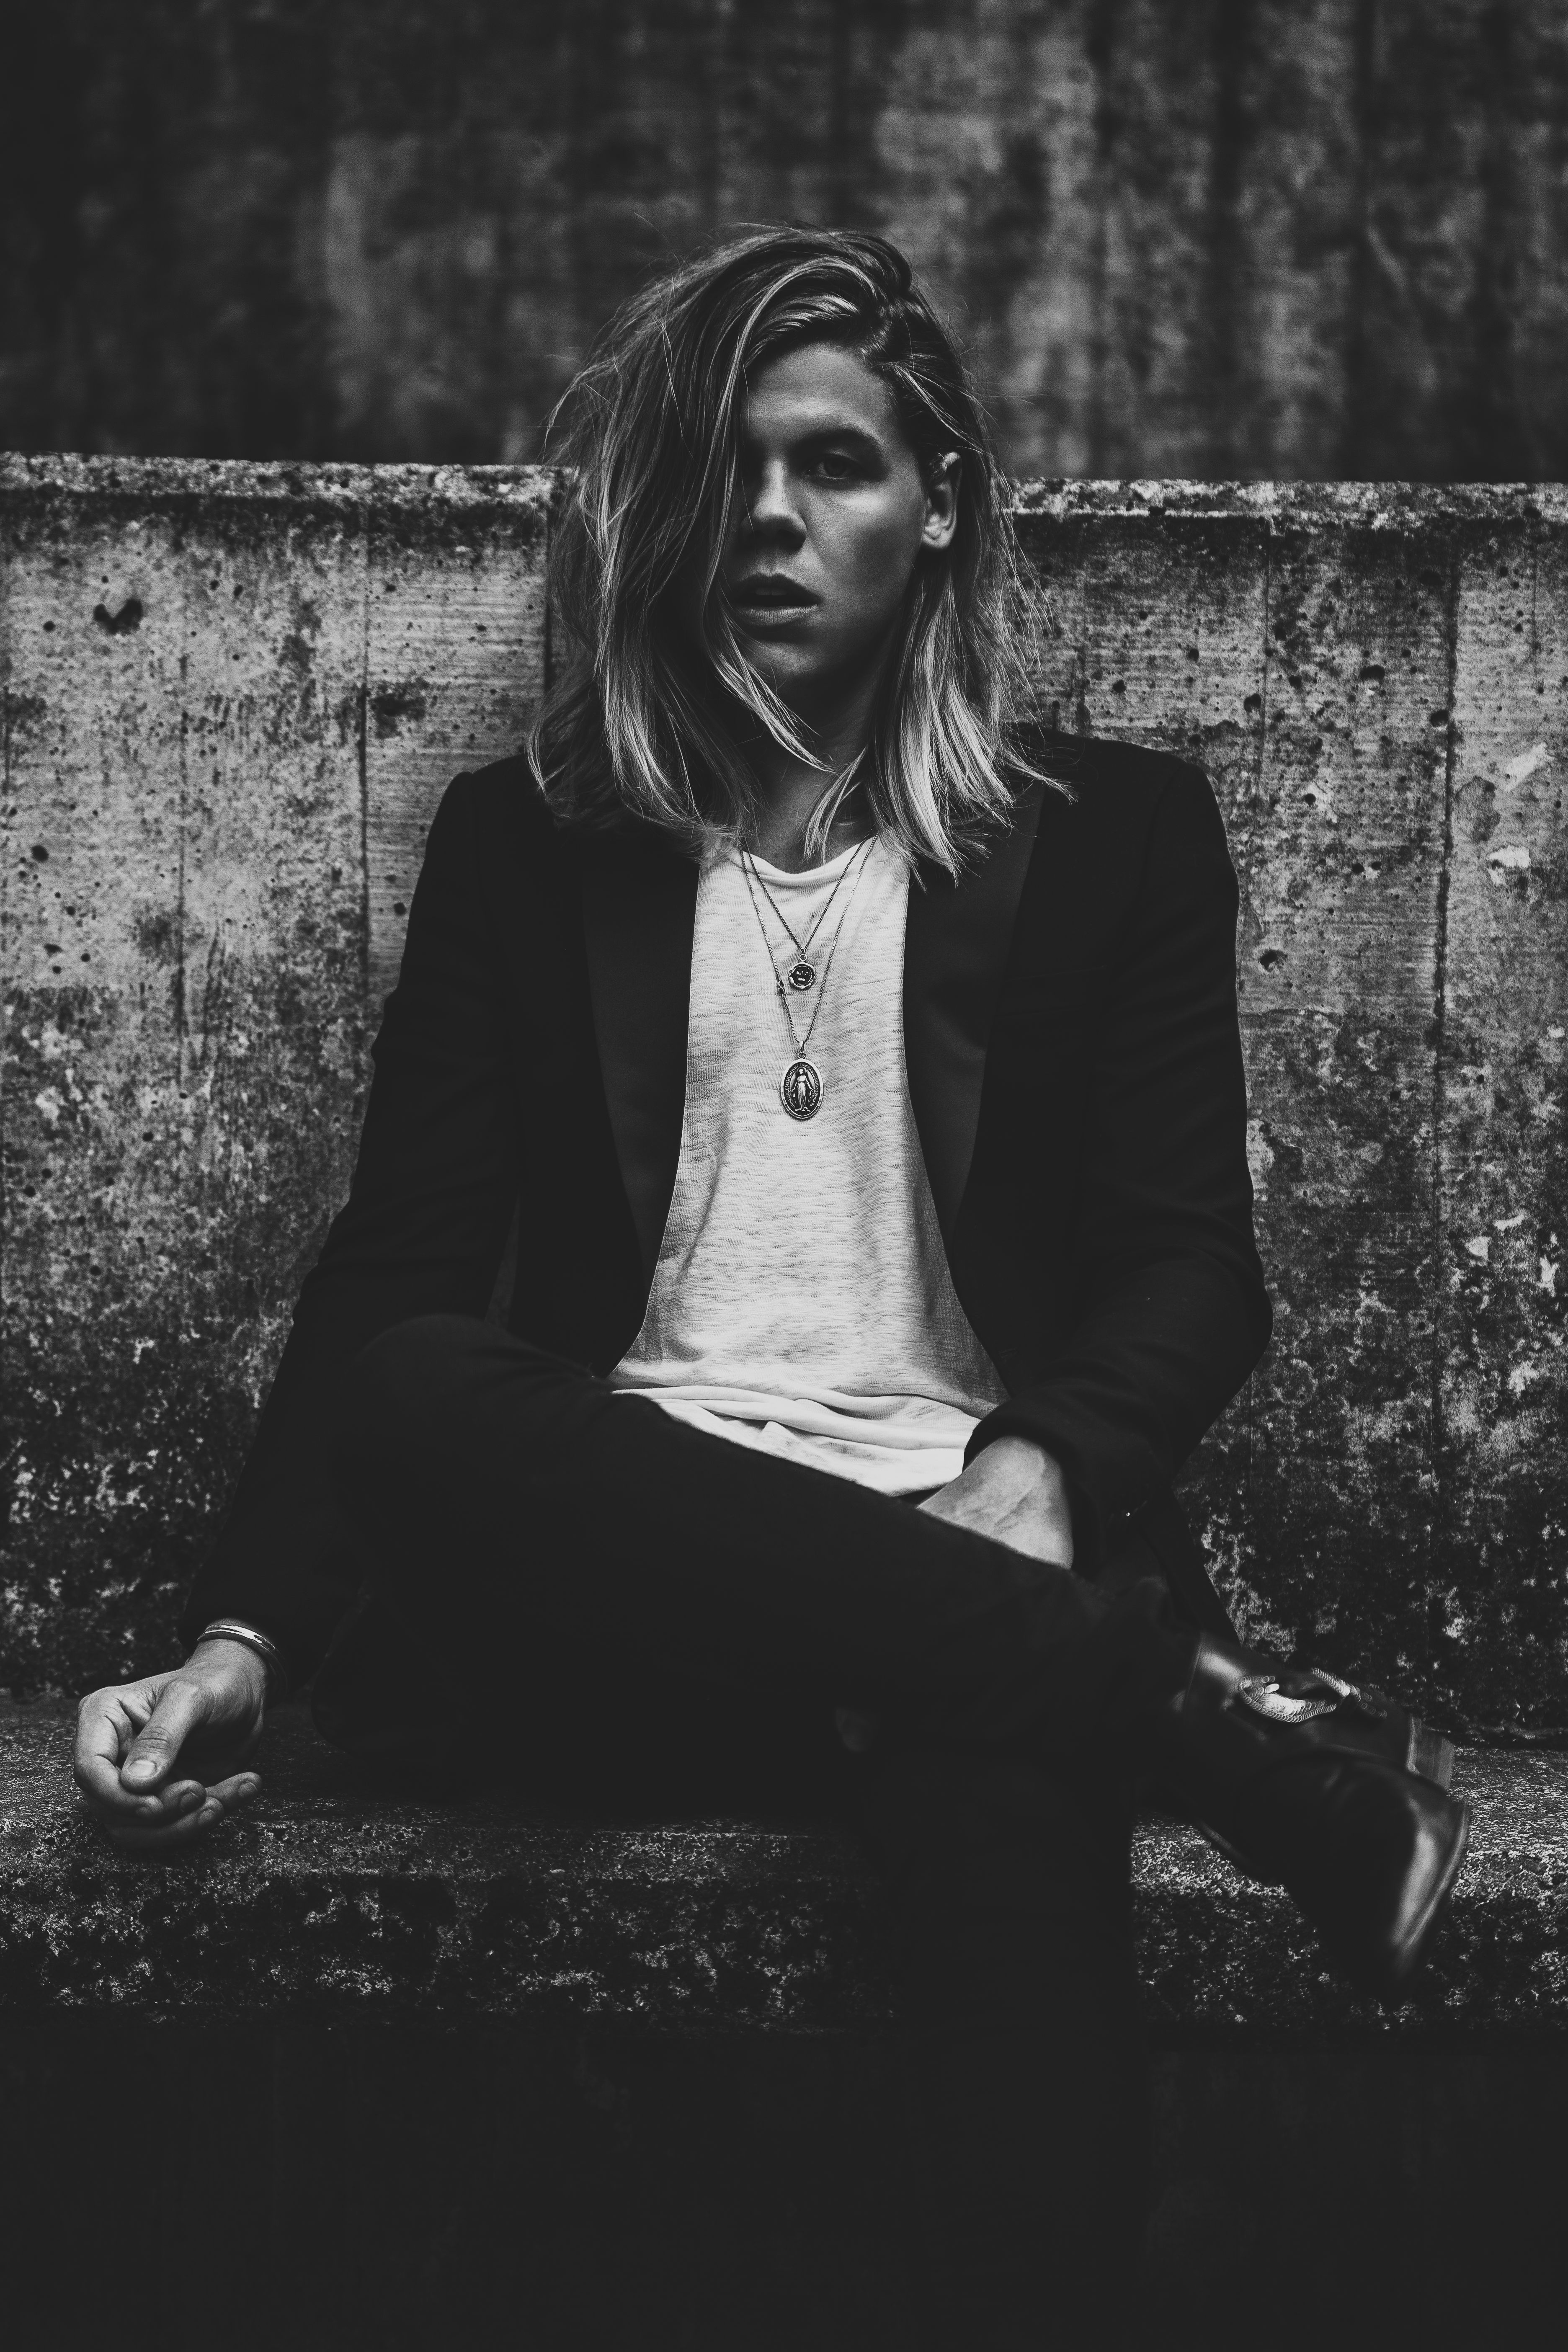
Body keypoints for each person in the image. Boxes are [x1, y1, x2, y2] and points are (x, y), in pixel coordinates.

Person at [73, 227, 1467, 2345]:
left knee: (999, 1793)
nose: (768, 519)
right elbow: (400, 1272)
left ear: (941, 508)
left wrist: (1037, 1475)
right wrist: (238, 1648)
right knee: (424, 1379)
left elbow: (1193, 1265)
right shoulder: (532, 842)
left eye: (832, 464)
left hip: (974, 1548)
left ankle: (1085, 1692)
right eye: (726, 468)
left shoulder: (1115, 838)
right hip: (617, 1598)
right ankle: (1203, 1726)